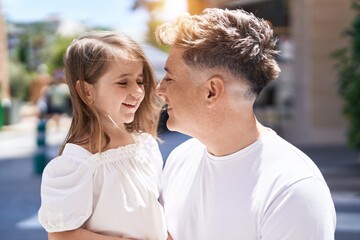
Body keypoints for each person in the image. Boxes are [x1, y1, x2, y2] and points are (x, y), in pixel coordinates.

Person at [155, 8, 336, 240]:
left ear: (212, 91)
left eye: (170, 77)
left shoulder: (293, 190)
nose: (160, 90)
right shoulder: (180, 159)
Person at [38, 31, 167, 240]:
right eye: (123, 82)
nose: (137, 92)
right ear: (87, 91)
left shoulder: (146, 145)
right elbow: (62, 235)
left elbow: (158, 214)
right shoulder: (78, 164)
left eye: (140, 81)